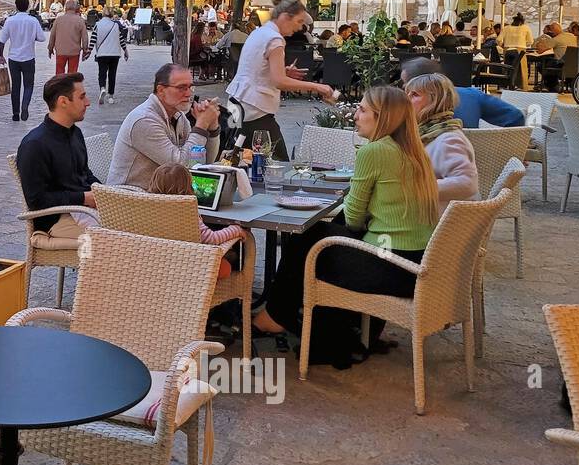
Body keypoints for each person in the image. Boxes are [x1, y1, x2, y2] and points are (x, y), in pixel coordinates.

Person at [253, 86, 439, 363]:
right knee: (314, 236)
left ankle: (276, 316)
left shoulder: (375, 152)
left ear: (382, 117)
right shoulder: (414, 151)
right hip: (416, 263)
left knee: (305, 240)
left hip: (391, 265)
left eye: (363, 110)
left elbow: (353, 218)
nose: (355, 115)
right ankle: (284, 314)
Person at [225, 0, 334, 160]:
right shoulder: (275, 40)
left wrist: (281, 71)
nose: (300, 27)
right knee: (277, 164)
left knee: (239, 159)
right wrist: (318, 87)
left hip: (236, 103)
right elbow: (279, 81)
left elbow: (254, 68)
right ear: (284, 17)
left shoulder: (259, 32)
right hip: (255, 109)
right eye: (298, 21)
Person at [14, 72, 97, 243]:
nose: (88, 102)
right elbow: (36, 200)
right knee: (118, 240)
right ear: (63, 102)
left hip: (84, 210)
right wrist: (83, 197)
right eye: (82, 97)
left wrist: (104, 193)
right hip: (54, 220)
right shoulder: (35, 144)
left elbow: (85, 173)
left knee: (135, 225)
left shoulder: (75, 133)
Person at [108, 63, 221, 188]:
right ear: (161, 90)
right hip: (130, 198)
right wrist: (201, 125)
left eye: (190, 87)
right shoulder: (144, 120)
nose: (189, 94)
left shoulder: (178, 116)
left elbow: (201, 164)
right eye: (182, 88)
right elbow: (182, 167)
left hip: (164, 193)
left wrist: (212, 126)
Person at [148, 163, 244, 278]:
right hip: (190, 266)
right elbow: (211, 239)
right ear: (189, 187)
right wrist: (235, 229)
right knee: (226, 267)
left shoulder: (149, 209)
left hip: (158, 264)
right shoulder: (185, 212)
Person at [404, 71, 479, 212]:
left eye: (414, 95)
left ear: (435, 101)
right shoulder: (428, 132)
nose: (406, 99)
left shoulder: (448, 139)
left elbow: (467, 184)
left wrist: (412, 189)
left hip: (439, 222)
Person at [400, 56, 524, 130]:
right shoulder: (472, 95)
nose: (405, 90)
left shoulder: (411, 110)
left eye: (406, 84)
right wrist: (514, 149)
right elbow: (515, 116)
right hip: (478, 162)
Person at [0, 0, 47, 122]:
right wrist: (32, 37)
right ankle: (25, 105)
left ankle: (15, 113)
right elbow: (42, 38)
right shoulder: (33, 21)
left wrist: (0, 55)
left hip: (13, 58)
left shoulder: (10, 20)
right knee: (28, 85)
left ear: (16, 6)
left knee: (16, 86)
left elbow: (2, 40)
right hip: (28, 57)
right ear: (28, 7)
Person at [88, 6, 129, 105]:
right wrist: (125, 50)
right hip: (115, 53)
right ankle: (111, 96)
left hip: (102, 53)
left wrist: (88, 51)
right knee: (112, 74)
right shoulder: (115, 25)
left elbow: (93, 39)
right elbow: (121, 40)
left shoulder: (98, 25)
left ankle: (102, 88)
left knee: (102, 72)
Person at [48, 0, 89, 75]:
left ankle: (60, 86)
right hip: (74, 51)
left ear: (65, 8)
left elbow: (52, 35)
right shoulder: (80, 20)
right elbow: (85, 37)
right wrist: (85, 49)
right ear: (76, 8)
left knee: (59, 72)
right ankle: (70, 86)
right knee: (72, 73)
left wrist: (50, 48)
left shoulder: (58, 20)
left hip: (60, 51)